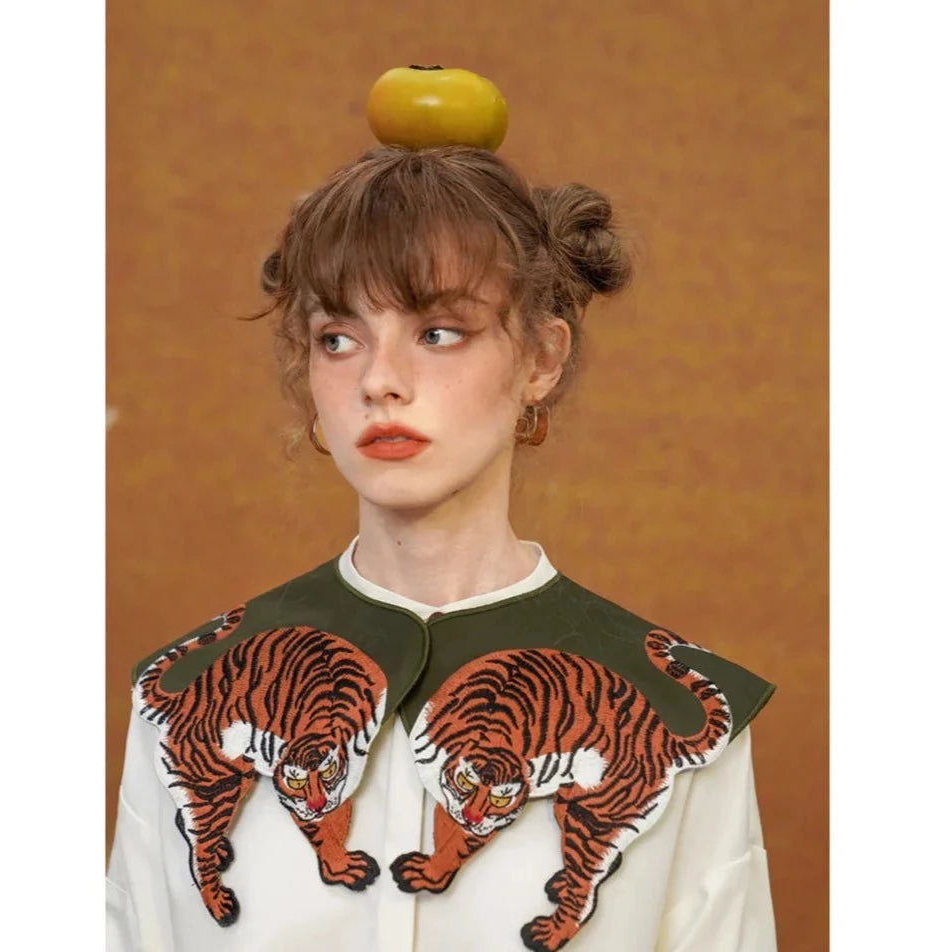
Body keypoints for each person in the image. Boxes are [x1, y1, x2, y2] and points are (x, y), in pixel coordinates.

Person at [106, 144, 776, 951]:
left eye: (438, 331)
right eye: (338, 338)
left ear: (541, 358)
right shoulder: (188, 698)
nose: (379, 380)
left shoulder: (672, 720)